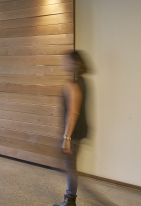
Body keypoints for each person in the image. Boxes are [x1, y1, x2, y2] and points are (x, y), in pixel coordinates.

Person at [54, 51, 88, 206]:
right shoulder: (82, 81)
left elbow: (73, 113)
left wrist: (66, 138)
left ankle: (70, 201)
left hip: (73, 133)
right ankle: (70, 199)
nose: (63, 63)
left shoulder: (73, 83)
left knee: (71, 167)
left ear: (74, 63)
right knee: (71, 166)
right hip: (80, 131)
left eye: (66, 60)